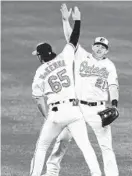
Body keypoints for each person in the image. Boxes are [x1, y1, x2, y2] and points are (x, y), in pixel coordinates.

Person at [44, 4, 119, 176]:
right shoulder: (82, 56)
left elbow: (113, 86)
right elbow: (70, 39)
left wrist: (114, 104)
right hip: (77, 108)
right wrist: (65, 20)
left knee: (106, 146)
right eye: (97, 45)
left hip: (98, 109)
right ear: (93, 47)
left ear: (107, 50)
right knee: (62, 139)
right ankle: (51, 172)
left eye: (103, 46)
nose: (99, 48)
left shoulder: (109, 66)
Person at [30, 6, 101, 176]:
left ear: (40, 57)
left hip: (55, 112)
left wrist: (47, 117)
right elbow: (74, 39)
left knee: (41, 147)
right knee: (87, 148)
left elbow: (38, 99)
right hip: (75, 111)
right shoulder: (65, 56)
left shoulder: (40, 72)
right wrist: (76, 20)